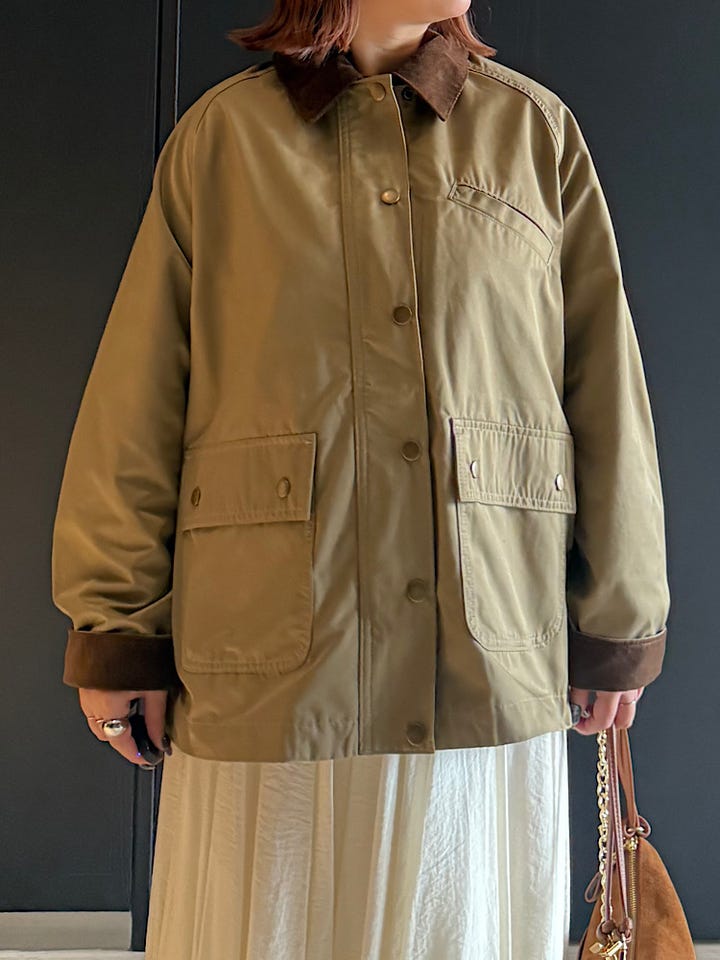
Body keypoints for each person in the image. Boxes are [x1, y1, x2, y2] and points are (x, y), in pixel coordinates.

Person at [51, 0, 671, 957]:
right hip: (274, 660)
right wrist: (115, 627)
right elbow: (139, 398)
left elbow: (603, 389)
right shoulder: (226, 139)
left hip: (483, 649)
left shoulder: (533, 133)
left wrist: (620, 618)